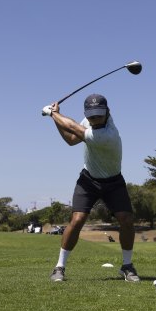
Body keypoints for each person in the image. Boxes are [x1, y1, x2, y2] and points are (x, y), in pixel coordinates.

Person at [42, 94, 140, 283]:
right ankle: (59, 267)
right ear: (86, 114)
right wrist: (56, 119)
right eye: (91, 116)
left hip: (114, 182)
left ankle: (127, 266)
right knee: (77, 220)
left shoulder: (107, 135)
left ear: (107, 113)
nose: (94, 119)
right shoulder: (89, 121)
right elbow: (71, 139)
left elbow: (71, 126)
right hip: (88, 180)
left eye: (98, 116)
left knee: (126, 220)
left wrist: (53, 114)